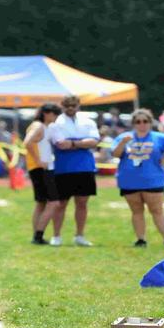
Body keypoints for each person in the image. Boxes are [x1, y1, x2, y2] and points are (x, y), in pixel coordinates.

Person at [111, 109, 164, 248]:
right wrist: (123, 143)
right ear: (133, 123)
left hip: (153, 180)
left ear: (150, 122)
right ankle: (141, 240)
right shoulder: (124, 137)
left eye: (145, 121)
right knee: (136, 211)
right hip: (129, 181)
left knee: (157, 211)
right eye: (138, 121)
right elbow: (115, 154)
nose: (142, 124)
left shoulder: (159, 137)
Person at [47, 95, 99, 247]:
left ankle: (80, 235)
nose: (70, 108)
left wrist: (73, 143)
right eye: (67, 105)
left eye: (73, 105)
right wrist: (83, 142)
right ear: (62, 106)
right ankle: (56, 236)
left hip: (85, 167)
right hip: (63, 168)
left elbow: (95, 141)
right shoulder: (56, 123)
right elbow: (61, 144)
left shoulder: (88, 121)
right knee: (61, 204)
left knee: (82, 203)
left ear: (78, 106)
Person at [24, 103, 62, 245]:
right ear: (46, 113)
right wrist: (39, 161)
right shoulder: (39, 126)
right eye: (55, 114)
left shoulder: (42, 127)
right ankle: (38, 235)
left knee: (41, 203)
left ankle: (36, 235)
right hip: (41, 168)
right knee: (54, 202)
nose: (56, 117)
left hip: (39, 167)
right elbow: (27, 142)